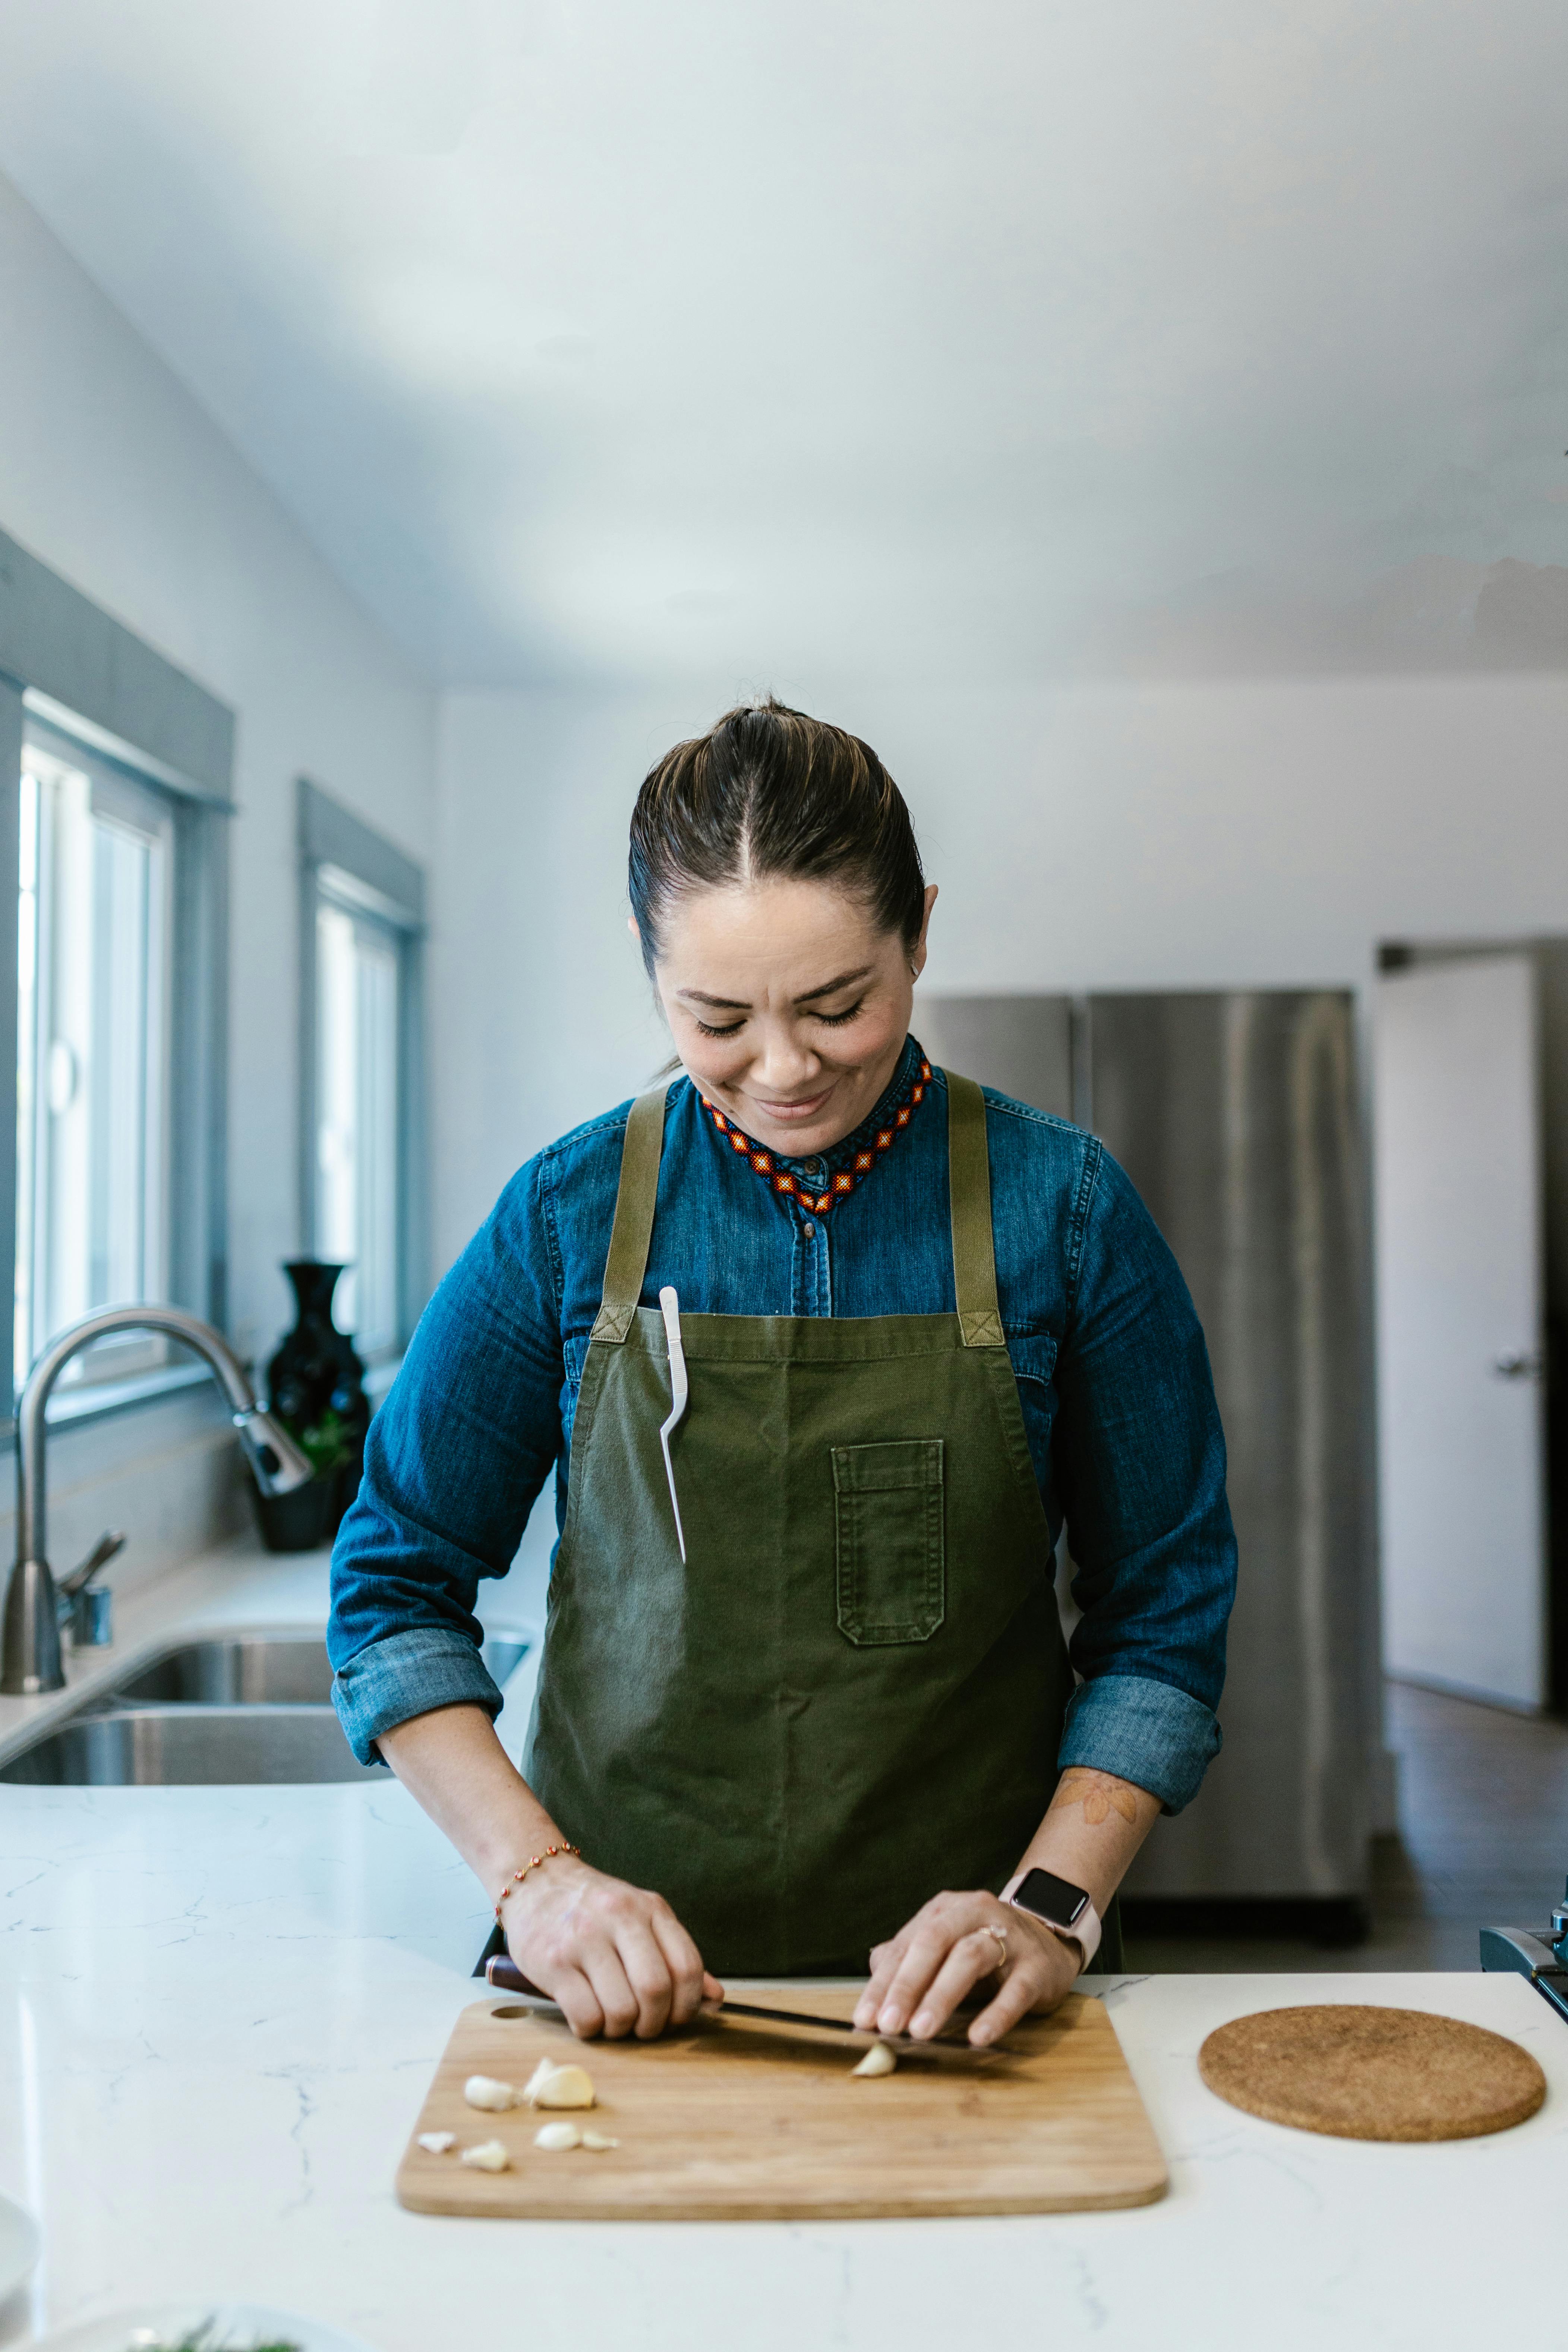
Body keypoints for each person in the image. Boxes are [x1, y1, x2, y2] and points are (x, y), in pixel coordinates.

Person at [329, 697, 1236, 2048]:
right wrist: (538, 1882)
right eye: (715, 1019)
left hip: (979, 1997)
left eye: (838, 1005)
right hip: (609, 1997)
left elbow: (1164, 1610)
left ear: (919, 932)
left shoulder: (1069, 1212)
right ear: (649, 976)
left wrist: (1049, 1906)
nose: (784, 1070)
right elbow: (393, 1584)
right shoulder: (566, 1216)